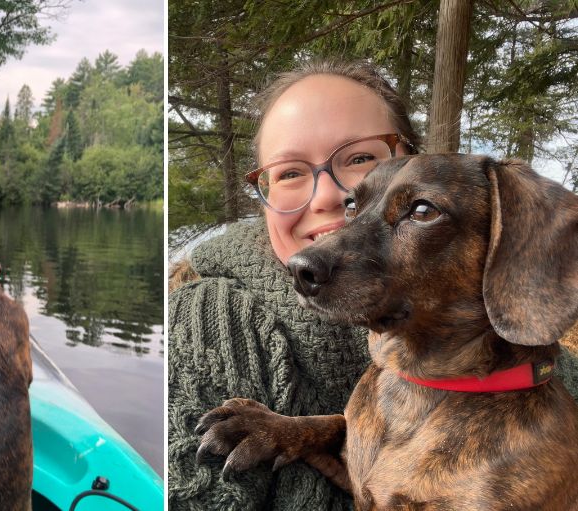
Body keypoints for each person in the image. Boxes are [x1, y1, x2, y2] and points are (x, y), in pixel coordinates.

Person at [167, 60, 578, 510]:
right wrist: (298, 431)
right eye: (288, 172)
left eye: (420, 211)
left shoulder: (537, 443)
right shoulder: (207, 321)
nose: (327, 200)